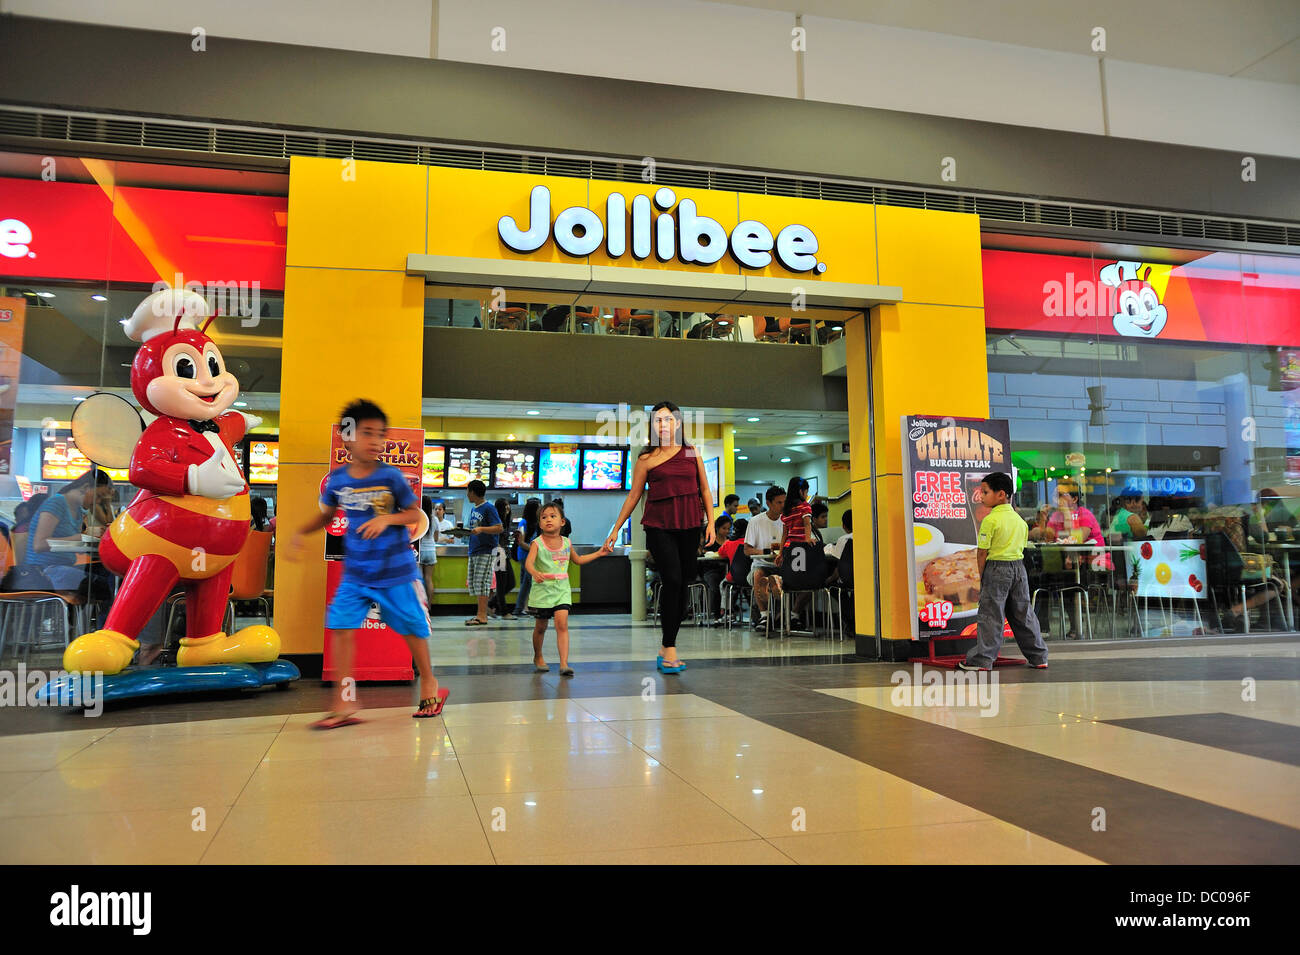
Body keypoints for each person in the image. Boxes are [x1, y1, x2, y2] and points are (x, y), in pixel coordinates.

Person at [288, 400, 446, 726]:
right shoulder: (338, 480)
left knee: (413, 627)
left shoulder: (392, 477)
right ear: (347, 437)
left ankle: (429, 681)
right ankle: (345, 702)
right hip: (356, 573)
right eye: (367, 433)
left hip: (395, 571)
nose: (375, 441)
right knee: (340, 627)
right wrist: (299, 534)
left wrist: (387, 520)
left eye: (380, 434)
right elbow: (327, 515)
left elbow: (414, 514)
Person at [605, 400, 715, 673]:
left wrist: (711, 523)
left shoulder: (691, 453)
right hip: (659, 525)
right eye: (658, 420)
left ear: (678, 423)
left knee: (685, 582)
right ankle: (670, 648)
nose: (663, 425)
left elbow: (704, 489)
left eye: (668, 420)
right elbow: (634, 495)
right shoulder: (646, 459)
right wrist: (616, 527)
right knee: (673, 579)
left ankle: (667, 646)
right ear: (652, 426)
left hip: (690, 524)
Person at [959, 471, 1049, 671]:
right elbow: (1021, 548)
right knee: (1023, 613)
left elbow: (982, 552)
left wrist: (982, 576)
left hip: (996, 568)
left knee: (991, 614)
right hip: (1019, 569)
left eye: (985, 492)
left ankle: (982, 659)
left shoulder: (990, 520)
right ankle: (1039, 656)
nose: (981, 497)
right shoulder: (1020, 521)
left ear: (1001, 494)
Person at [524, 500, 611, 676]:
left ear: (562, 522)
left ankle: (564, 663)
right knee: (541, 626)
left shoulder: (566, 542)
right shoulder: (537, 543)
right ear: (539, 523)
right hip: (542, 590)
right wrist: (534, 572)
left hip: (562, 590)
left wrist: (599, 553)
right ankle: (538, 656)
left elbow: (578, 561)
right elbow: (529, 563)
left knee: (561, 624)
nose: (548, 519)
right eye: (544, 517)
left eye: (553, 516)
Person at [27, 468, 112, 592]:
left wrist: (88, 541)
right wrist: (81, 538)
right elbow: (39, 545)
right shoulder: (56, 503)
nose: (98, 502)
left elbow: (69, 543)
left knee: (110, 573)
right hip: (44, 571)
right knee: (107, 586)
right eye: (98, 496)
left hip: (63, 567)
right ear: (86, 487)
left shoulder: (78, 510)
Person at [743, 485, 786, 631]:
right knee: (759, 575)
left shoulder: (787, 521)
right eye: (779, 503)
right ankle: (765, 615)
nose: (782, 506)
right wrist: (766, 550)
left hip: (781, 565)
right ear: (768, 503)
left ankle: (787, 614)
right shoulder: (755, 521)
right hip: (761, 564)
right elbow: (747, 550)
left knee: (794, 574)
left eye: (784, 502)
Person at [464, 479, 504, 626]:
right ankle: (480, 614)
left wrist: (481, 529)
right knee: (476, 584)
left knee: (482, 583)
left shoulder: (488, 508)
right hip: (474, 550)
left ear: (473, 492)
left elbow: (499, 527)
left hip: (486, 550)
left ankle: (482, 616)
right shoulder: (474, 509)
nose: (467, 494)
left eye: (468, 491)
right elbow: (474, 530)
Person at [776, 476, 814, 628]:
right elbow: (807, 524)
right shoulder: (805, 507)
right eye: (806, 491)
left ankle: (778, 581)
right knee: (809, 582)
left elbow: (784, 534)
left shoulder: (786, 511)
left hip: (788, 549)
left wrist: (780, 553)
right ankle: (794, 614)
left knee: (791, 582)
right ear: (801, 491)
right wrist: (808, 538)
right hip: (801, 550)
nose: (806, 495)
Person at [488, 497, 517, 619]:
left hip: (505, 553)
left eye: (508, 505)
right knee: (501, 583)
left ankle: (490, 604)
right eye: (505, 506)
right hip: (498, 553)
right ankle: (504, 612)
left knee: (511, 583)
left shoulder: (506, 521)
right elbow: (494, 538)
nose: (508, 508)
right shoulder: (497, 521)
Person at [700, 513, 732, 622]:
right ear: (717, 528)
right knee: (715, 585)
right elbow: (703, 555)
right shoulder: (710, 541)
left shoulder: (730, 541)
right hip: (711, 570)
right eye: (724, 528)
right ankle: (717, 613)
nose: (727, 531)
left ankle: (729, 612)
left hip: (726, 570)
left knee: (732, 585)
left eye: (728, 528)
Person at [513, 498, 541, 618]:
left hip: (529, 555)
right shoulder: (523, 522)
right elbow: (520, 542)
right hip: (525, 556)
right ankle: (522, 608)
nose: (540, 510)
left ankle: (519, 609)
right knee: (531, 581)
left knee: (526, 582)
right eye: (539, 508)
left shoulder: (536, 523)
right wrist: (534, 550)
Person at [418, 495, 439, 607]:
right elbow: (436, 538)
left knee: (419, 579)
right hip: (431, 551)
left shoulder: (420, 518)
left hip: (420, 551)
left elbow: (418, 537)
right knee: (429, 579)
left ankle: (421, 606)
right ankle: (429, 606)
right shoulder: (434, 519)